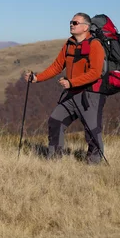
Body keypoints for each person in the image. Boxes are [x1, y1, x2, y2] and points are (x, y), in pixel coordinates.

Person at [24, 12, 107, 164]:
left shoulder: (95, 45)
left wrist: (72, 82)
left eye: (75, 23)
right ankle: (54, 160)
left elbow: (95, 73)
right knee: (55, 121)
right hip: (72, 94)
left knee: (92, 130)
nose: (71, 24)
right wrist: (37, 78)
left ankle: (94, 165)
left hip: (90, 95)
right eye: (71, 22)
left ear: (85, 27)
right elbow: (56, 66)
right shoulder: (69, 44)